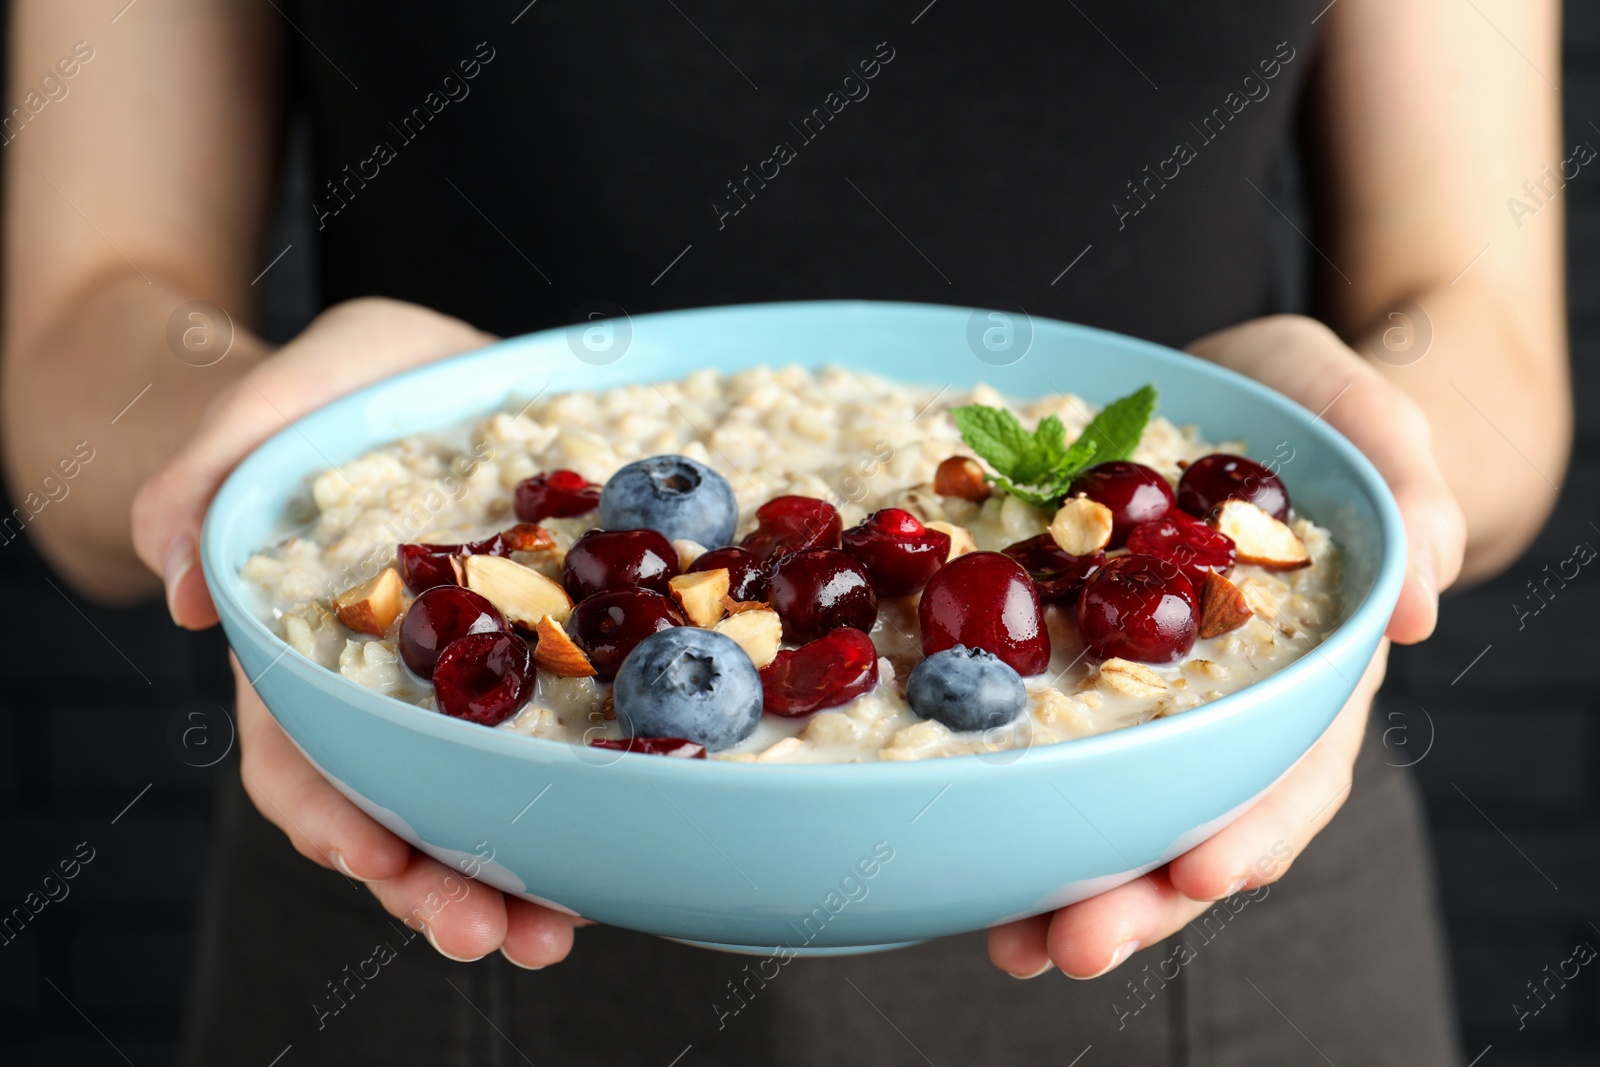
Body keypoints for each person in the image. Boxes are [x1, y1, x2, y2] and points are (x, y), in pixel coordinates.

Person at [3, 0, 1569, 1063]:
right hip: (425, 891)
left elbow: (1482, 330)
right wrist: (268, 428)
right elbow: (90, 323)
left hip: (1215, 881)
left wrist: (1364, 439)